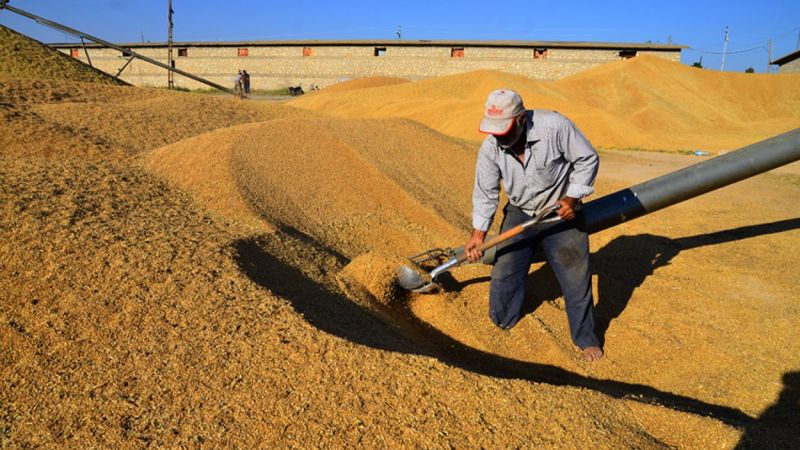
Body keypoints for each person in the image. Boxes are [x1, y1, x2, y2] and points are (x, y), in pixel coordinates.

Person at [464, 88, 604, 362]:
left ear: (521, 120)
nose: (498, 137)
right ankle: (501, 322)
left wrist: (572, 197)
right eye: (494, 130)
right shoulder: (491, 147)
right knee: (505, 272)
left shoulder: (555, 127)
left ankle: (586, 338)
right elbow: (486, 192)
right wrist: (478, 234)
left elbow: (587, 158)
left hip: (561, 213)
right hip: (520, 212)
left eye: (504, 130)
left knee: (576, 277)